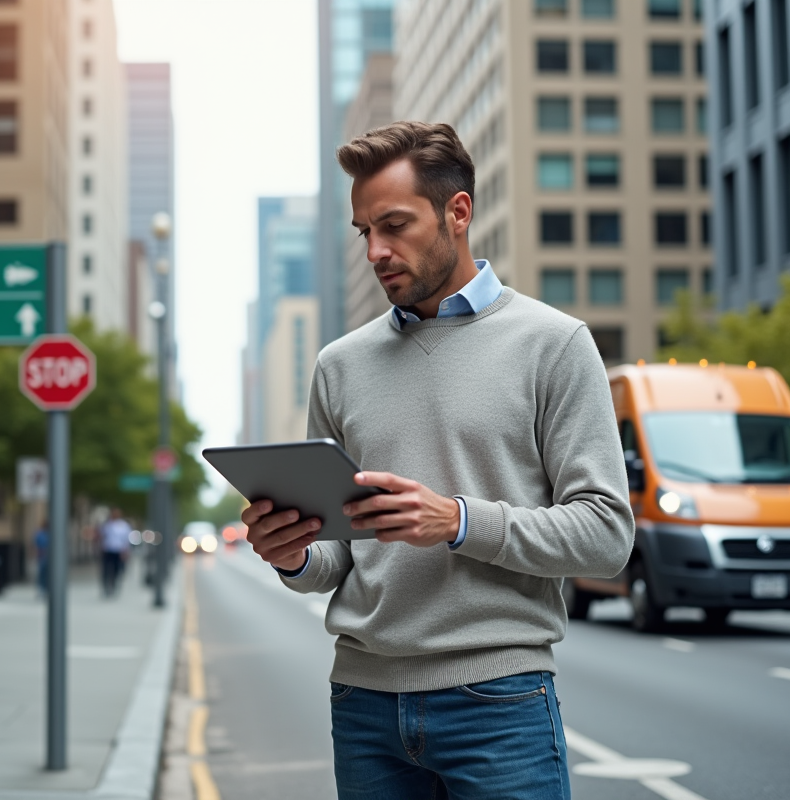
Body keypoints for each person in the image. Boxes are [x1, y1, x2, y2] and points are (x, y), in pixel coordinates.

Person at [242, 121, 634, 799]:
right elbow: (340, 556)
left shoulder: (555, 345)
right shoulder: (339, 366)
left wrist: (456, 521)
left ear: (458, 212)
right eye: (365, 231)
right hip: (363, 705)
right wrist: (294, 555)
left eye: (394, 225)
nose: (376, 250)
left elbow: (606, 537)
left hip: (499, 703)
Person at [99, 508, 132, 597]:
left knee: (117, 570)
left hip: (119, 551)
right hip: (108, 550)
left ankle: (114, 586)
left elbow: (126, 539)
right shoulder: (106, 525)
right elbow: (102, 537)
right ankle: (106, 587)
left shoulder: (124, 525)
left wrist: (126, 551)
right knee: (106, 570)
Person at [34, 520, 50, 597]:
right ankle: (42, 589)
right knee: (42, 574)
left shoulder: (46, 534)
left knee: (45, 574)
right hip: (42, 557)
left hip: (45, 557)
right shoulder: (41, 534)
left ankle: (44, 589)